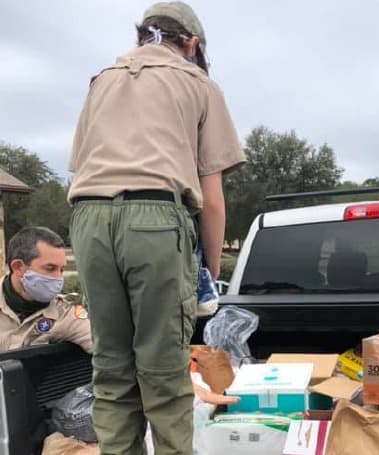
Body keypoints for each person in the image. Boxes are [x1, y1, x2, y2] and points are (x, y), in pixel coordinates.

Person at [67, 1, 246, 452]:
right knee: (162, 371)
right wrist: (206, 269)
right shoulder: (197, 82)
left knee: (111, 368)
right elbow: (211, 198)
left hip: (89, 220)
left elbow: (79, 168)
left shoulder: (101, 80)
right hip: (155, 220)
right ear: (192, 43)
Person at [0, 226, 91, 353]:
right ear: (18, 267)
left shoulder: (64, 314)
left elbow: (104, 348)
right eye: (50, 268)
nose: (59, 278)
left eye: (61, 270)